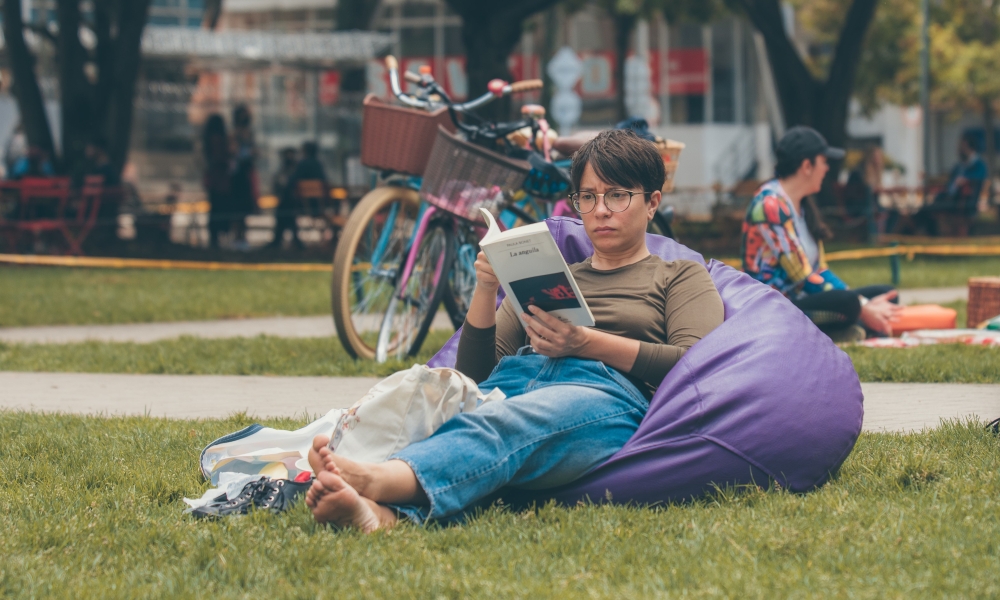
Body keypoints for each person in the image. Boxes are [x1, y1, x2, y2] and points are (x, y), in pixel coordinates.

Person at [302, 129, 725, 532]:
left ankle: (377, 479)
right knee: (448, 400)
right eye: (588, 197)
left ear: (652, 202)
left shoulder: (679, 276)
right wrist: (487, 288)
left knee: (504, 421)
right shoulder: (552, 273)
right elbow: (474, 375)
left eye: (617, 196)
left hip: (605, 396)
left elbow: (696, 365)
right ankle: (379, 516)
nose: (600, 211)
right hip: (516, 381)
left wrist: (585, 342)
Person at [741, 126, 902, 342]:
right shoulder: (769, 205)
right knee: (849, 303)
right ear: (807, 166)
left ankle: (845, 328)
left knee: (887, 293)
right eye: (824, 161)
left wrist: (863, 302)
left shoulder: (802, 205)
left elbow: (819, 270)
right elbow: (803, 277)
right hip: (773, 309)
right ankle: (848, 327)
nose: (827, 168)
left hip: (805, 301)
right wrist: (862, 306)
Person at [914, 131, 987, 237]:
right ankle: (916, 231)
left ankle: (922, 234)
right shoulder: (959, 166)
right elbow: (949, 184)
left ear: (969, 147)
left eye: (962, 146)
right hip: (947, 199)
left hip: (961, 204)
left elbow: (977, 180)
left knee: (927, 210)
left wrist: (964, 180)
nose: (959, 149)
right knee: (925, 210)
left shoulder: (979, 166)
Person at [229, 104, 258, 248]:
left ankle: (243, 238)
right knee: (237, 208)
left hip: (247, 174)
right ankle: (236, 237)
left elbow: (254, 151)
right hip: (237, 176)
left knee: (246, 208)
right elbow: (234, 152)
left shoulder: (249, 133)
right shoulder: (235, 134)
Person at [202, 114, 232, 248]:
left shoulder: (207, 139)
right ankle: (218, 237)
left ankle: (215, 237)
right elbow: (221, 158)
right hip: (221, 179)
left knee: (214, 208)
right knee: (220, 208)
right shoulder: (218, 140)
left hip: (213, 179)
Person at [269, 146, 301, 249]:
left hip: (296, 201)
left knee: (283, 211)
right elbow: (277, 185)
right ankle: (294, 240)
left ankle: (278, 240)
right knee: (285, 212)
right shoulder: (283, 169)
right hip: (289, 202)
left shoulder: (296, 169)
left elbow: (288, 185)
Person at [288, 140, 328, 217]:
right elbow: (324, 179)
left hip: (304, 202)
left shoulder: (302, 164)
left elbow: (293, 180)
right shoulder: (318, 164)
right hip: (319, 201)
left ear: (305, 151)